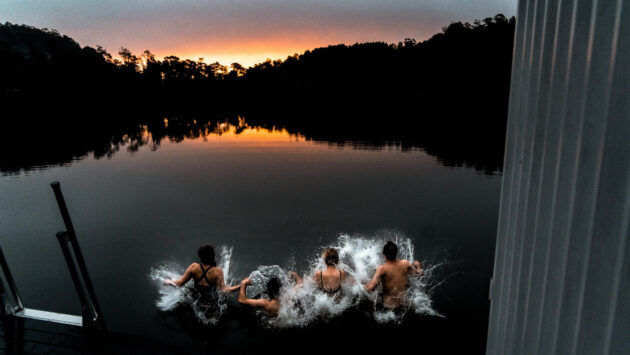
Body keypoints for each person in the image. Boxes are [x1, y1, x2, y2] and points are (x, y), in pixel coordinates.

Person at [164, 244, 240, 307]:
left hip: (197, 301)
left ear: (200, 257)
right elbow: (223, 291)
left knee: (188, 290)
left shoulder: (193, 267)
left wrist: (169, 282)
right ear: (213, 256)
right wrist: (240, 286)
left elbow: (179, 283)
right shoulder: (217, 271)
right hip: (212, 303)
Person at [364, 241, 423, 312]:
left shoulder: (382, 269)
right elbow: (417, 274)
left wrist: (360, 285)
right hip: (404, 306)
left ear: (383, 253)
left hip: (389, 310)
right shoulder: (405, 263)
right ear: (396, 252)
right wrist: (418, 266)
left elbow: (370, 288)